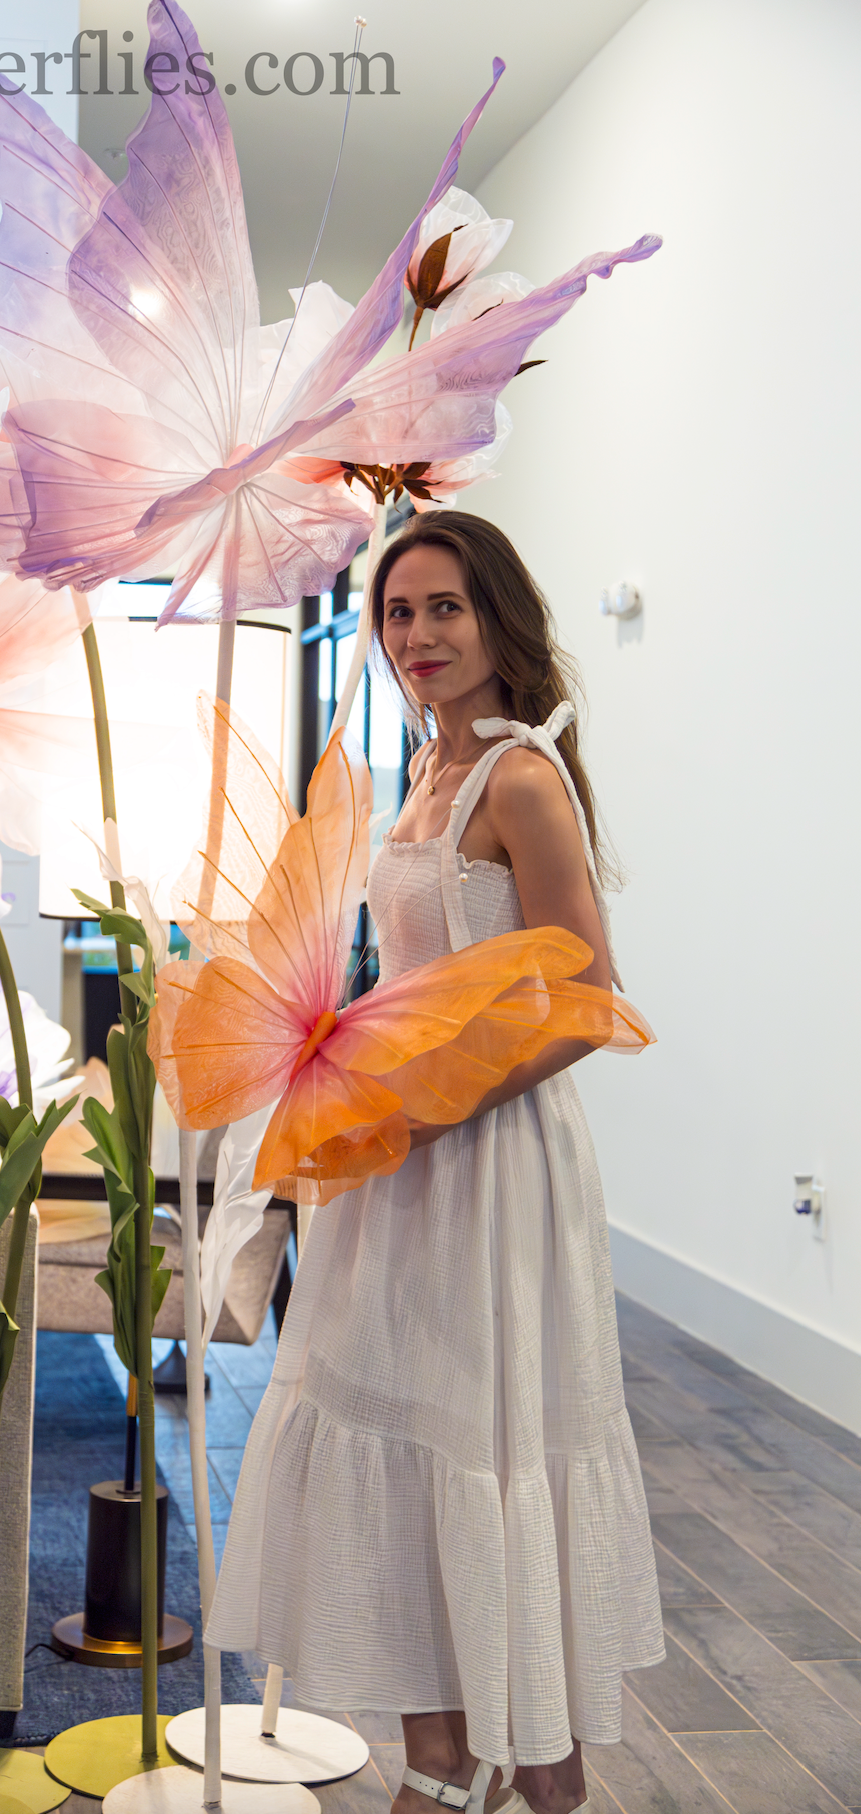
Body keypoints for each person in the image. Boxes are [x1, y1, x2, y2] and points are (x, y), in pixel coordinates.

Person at [204, 511, 663, 1814]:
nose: (416, 635)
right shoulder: (417, 769)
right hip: (393, 1159)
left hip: (484, 1161)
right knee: (393, 1427)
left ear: (496, 619)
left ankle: (473, 1754)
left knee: (482, 1427)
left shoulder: (517, 778)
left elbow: (587, 998)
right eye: (396, 612)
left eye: (442, 608)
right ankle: (510, 1751)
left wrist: (432, 1104)